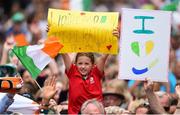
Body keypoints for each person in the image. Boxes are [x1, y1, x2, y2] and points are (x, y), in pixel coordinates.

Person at [60, 28, 119, 114]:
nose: (83, 67)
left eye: (86, 64)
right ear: (75, 64)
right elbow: (63, 53)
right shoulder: (72, 72)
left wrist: (114, 39)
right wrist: (53, 32)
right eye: (80, 63)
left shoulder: (96, 72)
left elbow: (104, 57)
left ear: (92, 65)